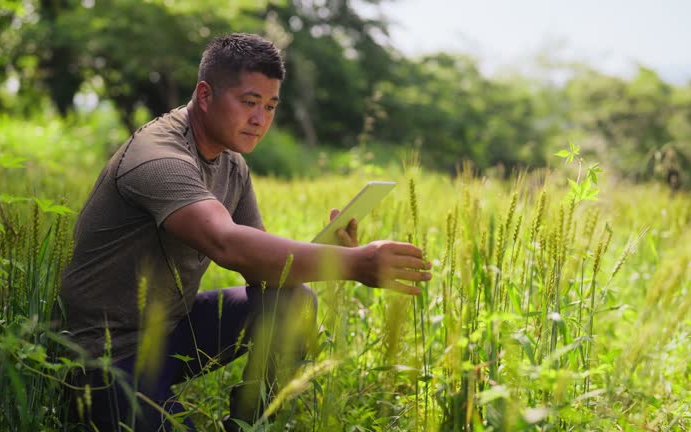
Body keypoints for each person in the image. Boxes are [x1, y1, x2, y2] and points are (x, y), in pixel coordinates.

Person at [60, 33, 431, 431]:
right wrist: (353, 264)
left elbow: (263, 274)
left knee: (293, 302)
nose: (260, 119)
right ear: (205, 95)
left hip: (169, 332)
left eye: (270, 106)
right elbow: (227, 243)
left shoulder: (232, 163)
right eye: (249, 102)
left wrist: (331, 253)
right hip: (103, 357)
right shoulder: (158, 158)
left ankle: (249, 423)